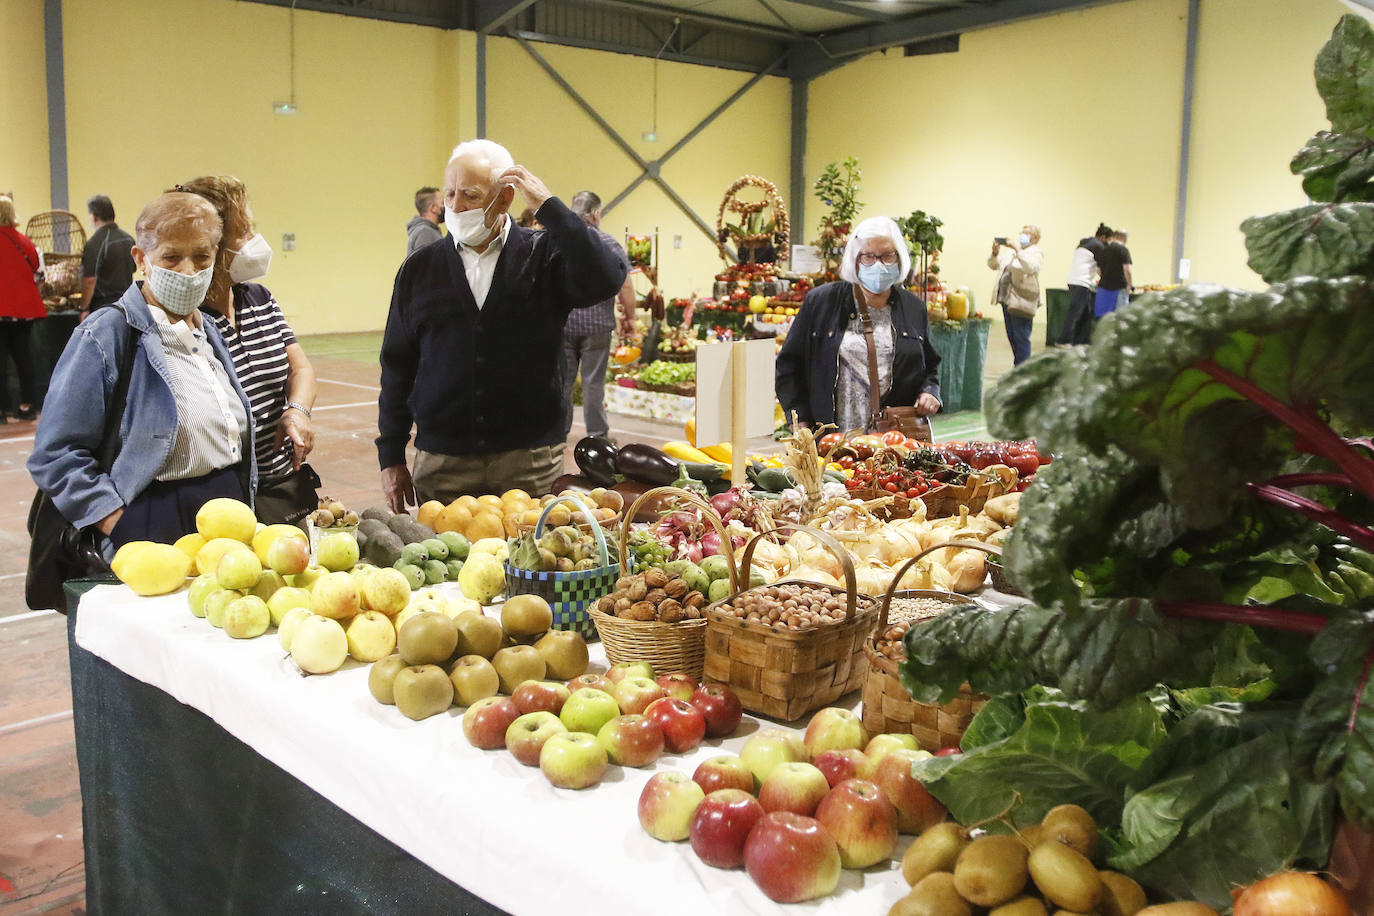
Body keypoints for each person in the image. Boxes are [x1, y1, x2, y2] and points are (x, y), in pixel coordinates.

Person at [377, 139, 628, 509]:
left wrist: (550, 208)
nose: (456, 207)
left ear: (506, 198)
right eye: (449, 194)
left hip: (528, 461)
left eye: (471, 196)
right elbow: (398, 365)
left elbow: (607, 276)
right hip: (444, 463)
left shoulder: (544, 256)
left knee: (529, 562)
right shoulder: (420, 269)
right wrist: (392, 455)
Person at [29, 192, 255, 553]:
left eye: (201, 257)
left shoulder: (209, 330)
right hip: (153, 514)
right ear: (141, 258)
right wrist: (119, 523)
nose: (188, 271)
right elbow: (55, 453)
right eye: (171, 256)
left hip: (226, 510)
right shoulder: (106, 333)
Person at [179, 175, 320, 524]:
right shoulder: (187, 321)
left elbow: (300, 369)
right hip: (227, 503)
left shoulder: (258, 299)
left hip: (283, 489)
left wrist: (297, 411)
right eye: (243, 232)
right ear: (212, 243)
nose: (254, 241)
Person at [775, 216, 941, 434]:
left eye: (888, 255)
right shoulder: (821, 302)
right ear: (855, 259)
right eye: (868, 257)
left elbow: (930, 365)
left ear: (900, 258)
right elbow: (789, 364)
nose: (879, 264)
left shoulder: (913, 308)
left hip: (892, 437)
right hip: (831, 436)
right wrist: (800, 421)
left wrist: (930, 392)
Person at [561, 190, 637, 442]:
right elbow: (625, 286)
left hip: (563, 324)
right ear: (595, 214)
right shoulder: (609, 243)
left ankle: (558, 433)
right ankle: (597, 434)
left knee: (564, 380)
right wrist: (631, 319)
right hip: (598, 326)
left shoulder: (558, 241)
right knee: (593, 383)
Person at [0, 195, 46, 422]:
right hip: (25, 309)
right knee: (24, 358)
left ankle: (1, 412)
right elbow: (38, 271)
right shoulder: (26, 242)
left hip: (2, 309)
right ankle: (28, 406)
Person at [988, 225, 1044, 366]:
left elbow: (1030, 267)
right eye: (1022, 233)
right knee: (1012, 336)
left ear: (1035, 238)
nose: (1023, 236)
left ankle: (1022, 370)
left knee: (1021, 337)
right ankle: (1019, 366)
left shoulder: (1035, 253)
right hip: (1007, 299)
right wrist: (994, 253)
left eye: (1027, 233)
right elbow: (994, 265)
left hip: (1021, 299)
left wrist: (1016, 248)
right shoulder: (1011, 253)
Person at [79, 194, 136, 318]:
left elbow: (89, 280)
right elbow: (133, 268)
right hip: (128, 305)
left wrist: (83, 308)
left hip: (103, 308)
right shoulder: (128, 239)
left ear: (93, 216)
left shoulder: (95, 243)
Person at [1060, 223, 1111, 345]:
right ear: (1103, 237)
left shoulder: (1085, 243)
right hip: (1081, 283)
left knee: (1085, 314)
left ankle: (1081, 341)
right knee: (1076, 313)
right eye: (1108, 239)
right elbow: (1101, 268)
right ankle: (1064, 340)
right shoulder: (1098, 246)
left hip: (1074, 280)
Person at [1094, 229, 1133, 319]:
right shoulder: (1123, 249)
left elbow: (1098, 270)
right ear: (1124, 239)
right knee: (1121, 317)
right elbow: (1126, 269)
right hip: (1119, 287)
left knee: (1103, 318)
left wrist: (1106, 277)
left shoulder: (1103, 249)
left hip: (1103, 288)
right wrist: (1129, 285)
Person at [405, 186, 444, 258]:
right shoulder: (425, 232)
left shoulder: (426, 231)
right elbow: (425, 266)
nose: (446, 207)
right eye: (442, 203)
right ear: (433, 208)